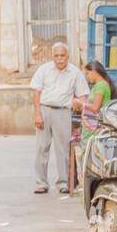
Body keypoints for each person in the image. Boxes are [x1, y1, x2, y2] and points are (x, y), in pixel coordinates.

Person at [30, 42, 89, 195]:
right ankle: (41, 183)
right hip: (44, 110)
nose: (59, 59)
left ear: (67, 56)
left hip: (63, 112)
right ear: (52, 56)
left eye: (62, 55)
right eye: (56, 55)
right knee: (41, 148)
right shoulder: (44, 70)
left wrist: (79, 104)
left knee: (62, 149)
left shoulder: (75, 73)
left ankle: (63, 183)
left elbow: (82, 97)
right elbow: (36, 93)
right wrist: (37, 114)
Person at [70, 61, 117, 190]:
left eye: (87, 73)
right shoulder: (100, 85)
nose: (87, 76)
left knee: (92, 158)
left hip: (95, 128)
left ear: (94, 71)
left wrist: (81, 104)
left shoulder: (101, 86)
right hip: (91, 127)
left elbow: (96, 108)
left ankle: (93, 187)